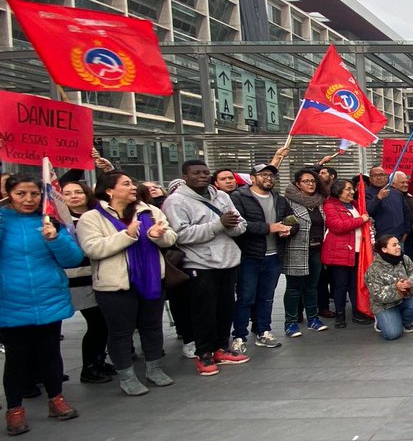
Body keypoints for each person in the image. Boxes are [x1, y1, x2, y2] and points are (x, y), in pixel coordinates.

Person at [77, 171, 179, 396]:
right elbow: (93, 249)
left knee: (152, 327)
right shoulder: (92, 218)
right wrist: (127, 235)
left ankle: (154, 368)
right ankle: (127, 375)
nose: (133, 187)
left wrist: (157, 235)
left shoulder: (149, 210)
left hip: (152, 279)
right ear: (109, 190)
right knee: (120, 332)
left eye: (133, 183)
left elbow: (171, 237)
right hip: (115, 286)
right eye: (126, 184)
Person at [1, 174, 84, 435]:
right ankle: (15, 409)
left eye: (34, 194)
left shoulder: (52, 221)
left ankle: (56, 399)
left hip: (49, 298)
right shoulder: (2, 221)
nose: (28, 200)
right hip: (10, 301)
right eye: (21, 194)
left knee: (50, 353)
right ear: (9, 195)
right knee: (16, 358)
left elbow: (73, 259)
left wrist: (55, 238)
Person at [162, 160, 250, 376]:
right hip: (199, 263)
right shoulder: (175, 201)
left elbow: (240, 224)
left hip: (227, 261)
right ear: (185, 176)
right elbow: (180, 234)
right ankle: (204, 354)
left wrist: (232, 226)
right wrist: (218, 225)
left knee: (225, 308)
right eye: (196, 173)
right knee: (204, 311)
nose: (202, 176)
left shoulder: (222, 196)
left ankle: (221, 347)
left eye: (205, 172)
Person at [229, 164, 294, 353]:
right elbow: (239, 224)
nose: (268, 178)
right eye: (263, 174)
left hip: (273, 256)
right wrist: (269, 228)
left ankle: (264, 331)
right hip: (249, 255)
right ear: (252, 177)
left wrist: (288, 230)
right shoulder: (239, 197)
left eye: (272, 175)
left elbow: (292, 221)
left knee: (267, 298)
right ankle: (239, 336)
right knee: (245, 297)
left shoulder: (279, 199)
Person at [59, 180, 116, 384]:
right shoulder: (60, 221)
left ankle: (98, 361)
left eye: (78, 192)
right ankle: (89, 367)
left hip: (100, 275)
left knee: (103, 324)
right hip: (76, 278)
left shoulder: (98, 216)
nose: (74, 196)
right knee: (96, 323)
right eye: (67, 193)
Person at [281, 168, 330, 338]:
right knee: (294, 288)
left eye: (313, 181)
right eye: (306, 181)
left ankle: (313, 319)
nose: (310, 184)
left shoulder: (320, 201)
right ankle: (291, 323)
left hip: (316, 250)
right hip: (296, 249)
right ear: (297, 184)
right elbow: (286, 223)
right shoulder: (288, 202)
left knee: (311, 287)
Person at [322, 178, 373, 327]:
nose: (352, 191)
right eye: (348, 189)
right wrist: (361, 220)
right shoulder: (330, 205)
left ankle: (357, 313)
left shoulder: (354, 204)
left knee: (355, 285)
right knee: (340, 285)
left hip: (357, 251)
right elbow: (337, 226)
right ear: (338, 191)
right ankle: (340, 316)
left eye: (352, 189)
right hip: (340, 253)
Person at [364, 235, 413, 340]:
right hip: (385, 305)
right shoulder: (374, 269)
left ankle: (404, 321)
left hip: (405, 299)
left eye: (398, 244)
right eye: (394, 245)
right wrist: (396, 288)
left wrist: (410, 283)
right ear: (384, 249)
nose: (398, 247)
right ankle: (381, 322)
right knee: (392, 334)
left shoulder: (404, 259)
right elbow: (376, 294)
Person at [366, 170, 413, 257]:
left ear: (387, 177)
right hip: (380, 240)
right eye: (375, 175)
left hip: (399, 239)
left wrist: (405, 233)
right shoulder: (366, 193)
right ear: (370, 179)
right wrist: (378, 198)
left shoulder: (397, 193)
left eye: (381, 174)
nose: (379, 177)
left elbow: (406, 214)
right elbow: (368, 211)